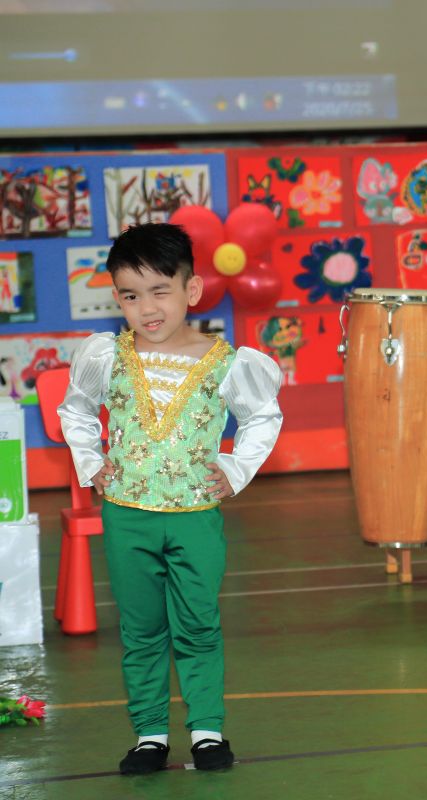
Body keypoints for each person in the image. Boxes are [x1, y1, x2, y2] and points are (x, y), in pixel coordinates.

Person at [58, 223, 283, 773]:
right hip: (127, 515)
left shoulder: (229, 361)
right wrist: (92, 462)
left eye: (160, 291)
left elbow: (262, 417)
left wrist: (235, 468)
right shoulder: (106, 355)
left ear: (192, 289)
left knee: (199, 623)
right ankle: (150, 736)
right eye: (131, 296)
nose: (147, 308)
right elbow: (77, 409)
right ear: (117, 299)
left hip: (195, 518)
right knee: (141, 629)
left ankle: (207, 731)